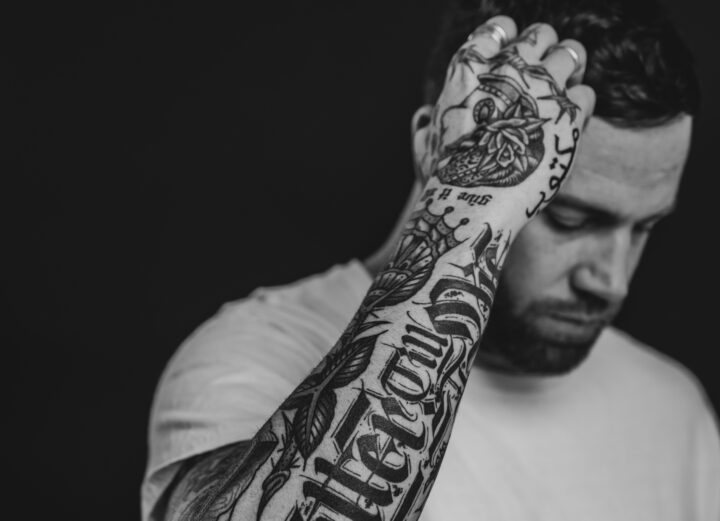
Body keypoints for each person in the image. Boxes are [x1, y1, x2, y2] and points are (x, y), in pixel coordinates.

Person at [142, 1, 720, 520]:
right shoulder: (251, 354)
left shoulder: (671, 406)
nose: (611, 280)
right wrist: (470, 207)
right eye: (568, 219)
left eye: (644, 228)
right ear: (436, 151)